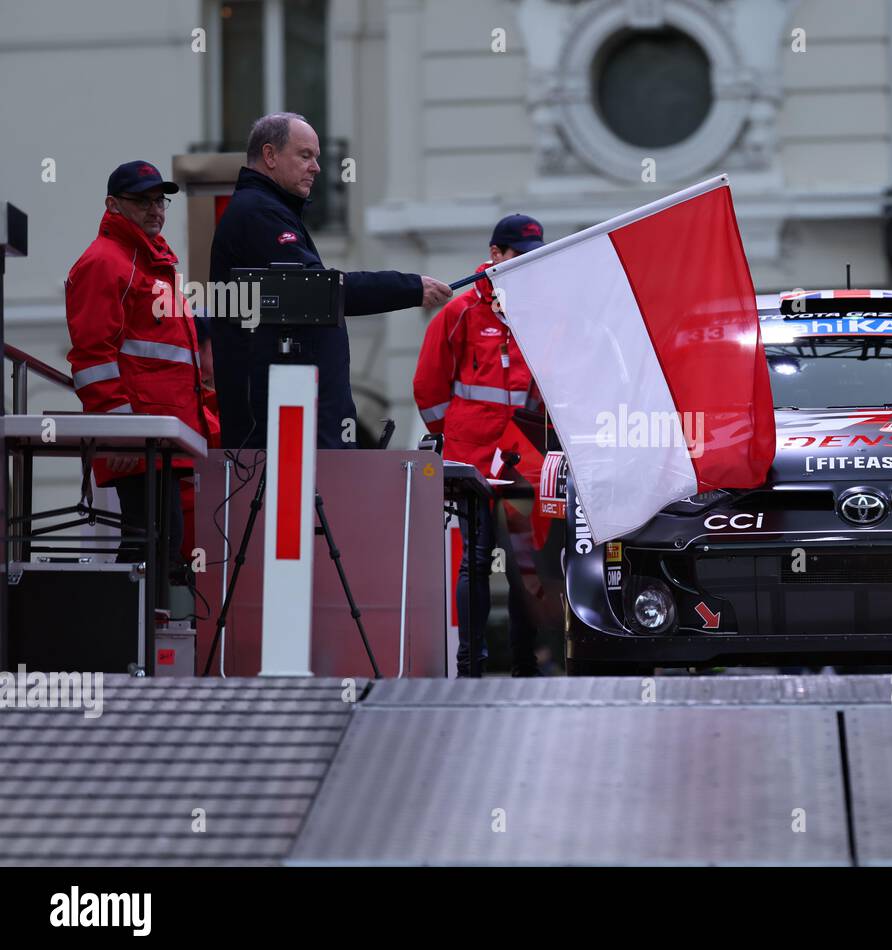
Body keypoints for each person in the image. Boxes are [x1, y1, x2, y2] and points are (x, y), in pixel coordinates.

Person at [209, 112, 452, 450]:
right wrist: (410, 287)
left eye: (317, 157)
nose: (317, 167)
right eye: (305, 155)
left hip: (285, 431)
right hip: (279, 438)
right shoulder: (259, 213)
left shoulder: (268, 209)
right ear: (270, 155)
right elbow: (318, 291)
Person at [65, 160, 212, 586]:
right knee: (149, 549)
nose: (155, 209)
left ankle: (136, 646)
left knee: (157, 549)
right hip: (140, 436)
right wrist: (122, 429)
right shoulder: (106, 263)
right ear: (113, 205)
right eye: (141, 200)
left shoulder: (148, 263)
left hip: (158, 435)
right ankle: (126, 649)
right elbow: (92, 357)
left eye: (159, 200)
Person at [413, 215, 546, 677]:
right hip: (472, 465)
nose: (527, 267)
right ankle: (470, 665)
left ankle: (525, 667)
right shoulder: (460, 312)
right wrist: (454, 440)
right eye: (518, 257)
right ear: (496, 256)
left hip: (522, 466)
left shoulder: (542, 316)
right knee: (475, 562)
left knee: (523, 569)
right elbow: (428, 387)